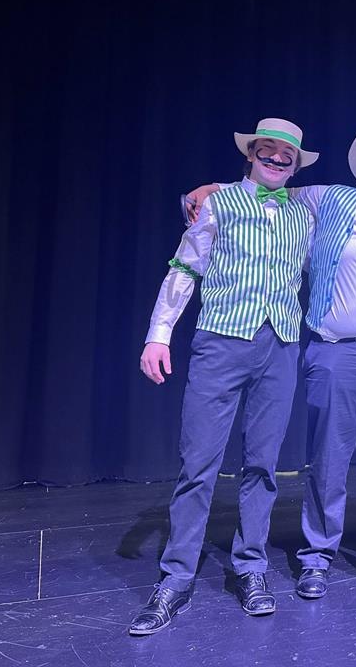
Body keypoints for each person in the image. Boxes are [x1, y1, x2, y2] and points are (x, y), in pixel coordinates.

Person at [183, 124, 356, 598]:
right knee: (328, 459)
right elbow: (266, 187)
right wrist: (207, 189)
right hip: (335, 351)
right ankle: (317, 557)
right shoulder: (327, 197)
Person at [128, 118, 317, 635]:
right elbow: (185, 267)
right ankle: (176, 576)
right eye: (268, 152)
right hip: (221, 343)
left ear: (296, 164)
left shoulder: (305, 210)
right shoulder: (219, 202)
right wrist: (158, 334)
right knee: (199, 463)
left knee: (263, 466)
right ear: (251, 155)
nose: (277, 160)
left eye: (287, 155)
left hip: (279, 345)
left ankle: (250, 567)